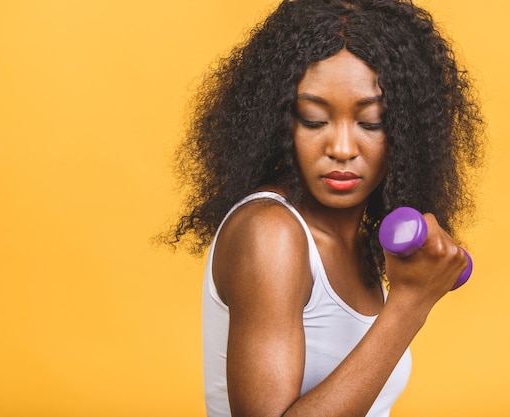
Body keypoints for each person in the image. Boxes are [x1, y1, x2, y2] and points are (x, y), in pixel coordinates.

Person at [164, 0, 485, 415]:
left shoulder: (363, 243)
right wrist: (411, 302)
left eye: (371, 123)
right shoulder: (271, 233)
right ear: (280, 122)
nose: (342, 149)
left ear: (407, 131)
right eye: (314, 120)